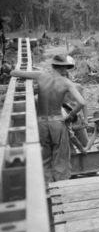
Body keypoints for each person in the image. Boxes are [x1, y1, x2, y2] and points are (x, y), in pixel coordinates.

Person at [11, 54, 85, 183]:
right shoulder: (66, 82)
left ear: (53, 65)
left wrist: (17, 71)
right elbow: (82, 102)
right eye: (66, 68)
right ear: (64, 68)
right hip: (57, 122)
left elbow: (14, 72)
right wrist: (70, 116)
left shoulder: (40, 75)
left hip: (41, 123)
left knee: (45, 156)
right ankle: (61, 184)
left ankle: (47, 185)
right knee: (60, 157)